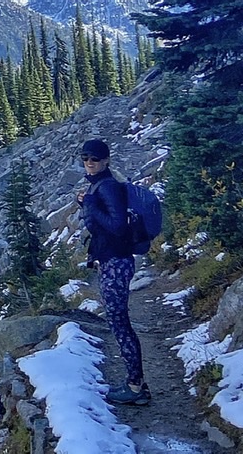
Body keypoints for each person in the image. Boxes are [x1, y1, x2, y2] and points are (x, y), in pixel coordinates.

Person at [75, 138, 150, 406]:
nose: (89, 162)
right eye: (85, 158)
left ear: (106, 160)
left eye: (94, 158)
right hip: (112, 261)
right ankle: (135, 382)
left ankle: (135, 385)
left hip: (117, 262)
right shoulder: (101, 185)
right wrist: (86, 203)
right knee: (118, 322)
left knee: (120, 323)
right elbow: (101, 223)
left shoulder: (107, 187)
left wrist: (91, 205)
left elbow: (117, 227)